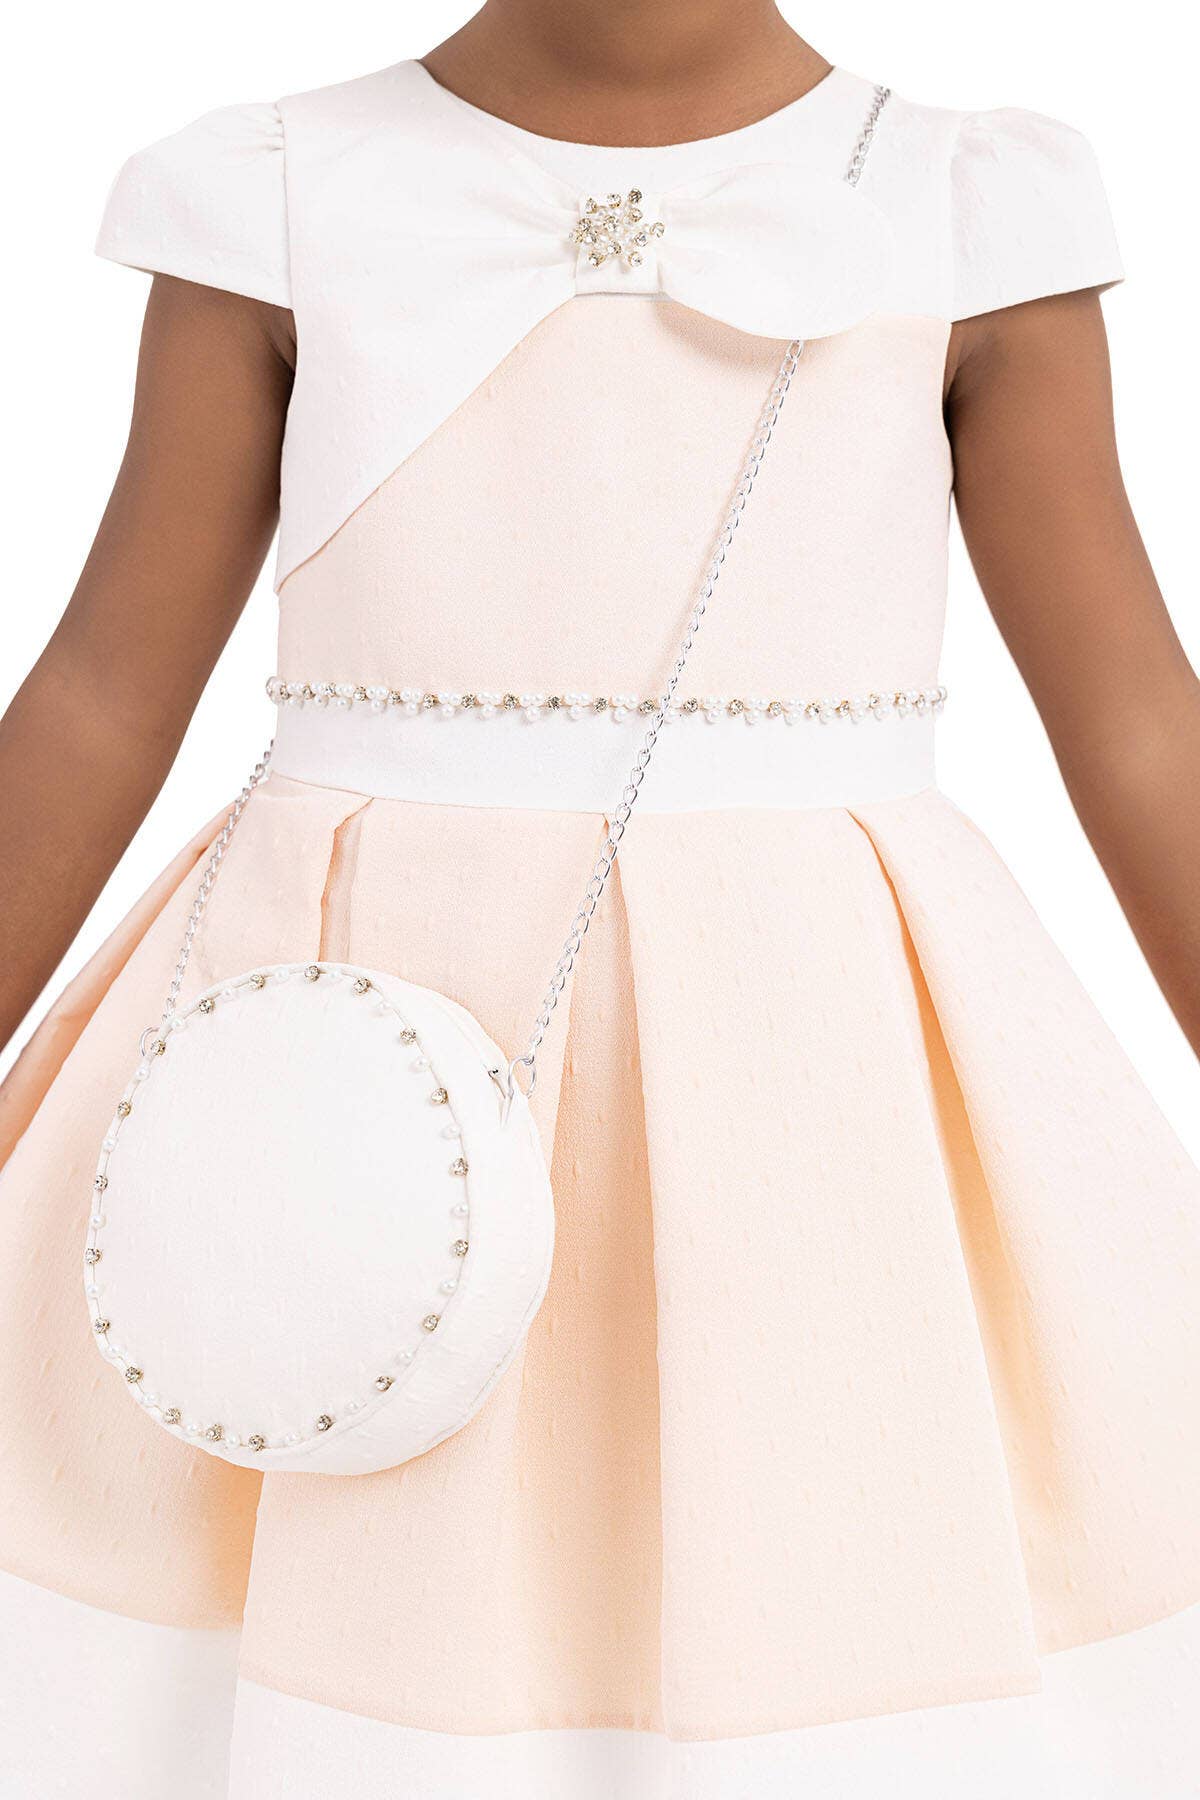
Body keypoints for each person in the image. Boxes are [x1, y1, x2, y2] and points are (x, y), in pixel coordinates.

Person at [0, 4, 1196, 1795]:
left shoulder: (965, 204)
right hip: (337, 1082)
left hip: (813, 1084)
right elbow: (103, 691)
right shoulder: (273, 193)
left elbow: (1136, 720)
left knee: (805, 1556)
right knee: (341, 1562)